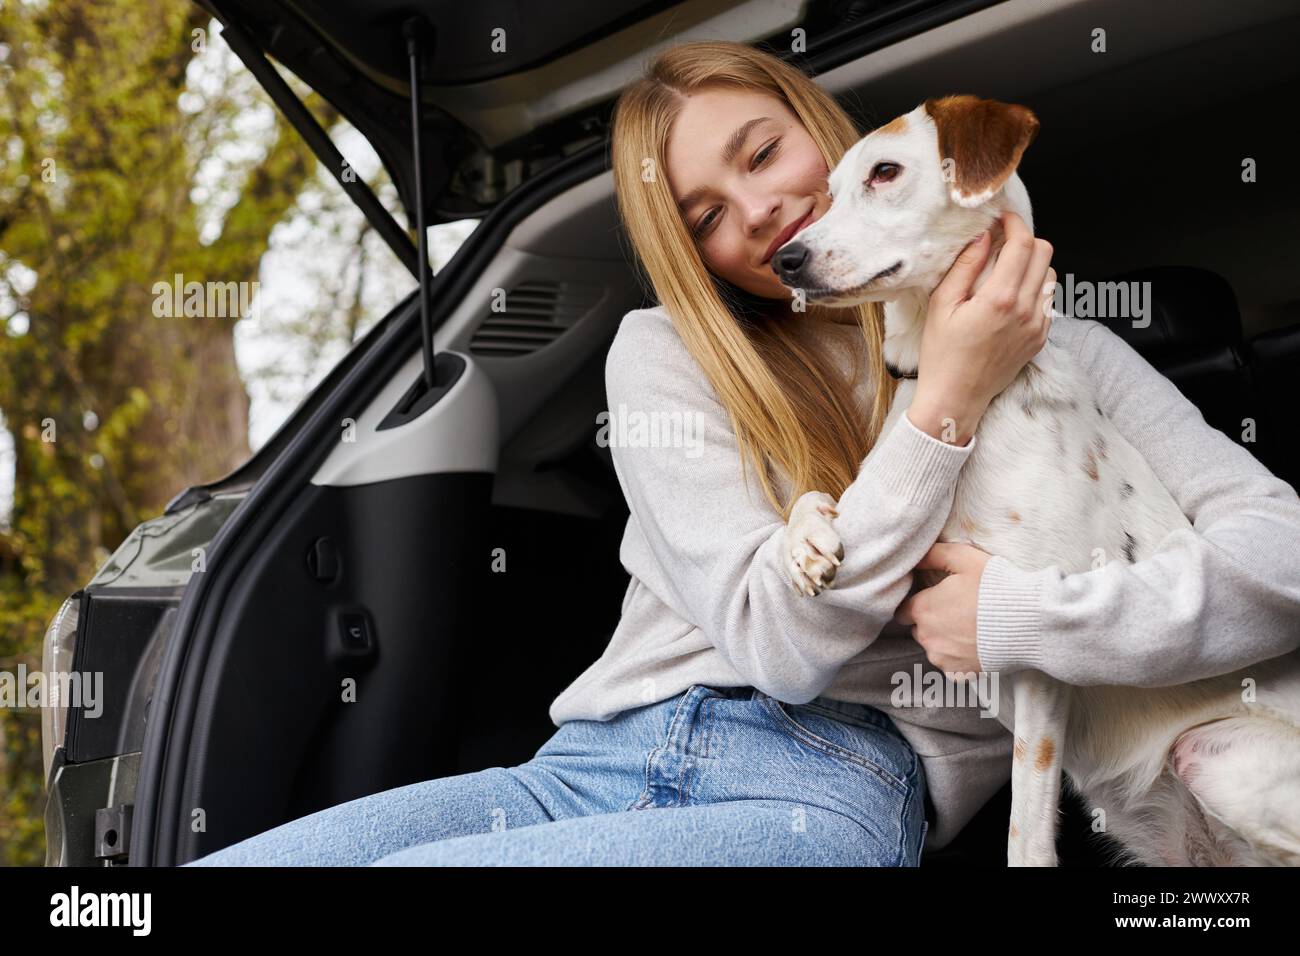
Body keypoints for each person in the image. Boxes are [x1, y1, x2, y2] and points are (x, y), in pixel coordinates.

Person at [186, 40, 1300, 867]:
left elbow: (1283, 556)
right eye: (707, 214)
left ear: (816, 118)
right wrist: (945, 398)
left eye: (764, 152)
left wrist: (1021, 605)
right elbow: (768, 622)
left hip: (840, 782)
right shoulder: (665, 354)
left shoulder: (1063, 351)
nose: (760, 212)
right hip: (589, 768)